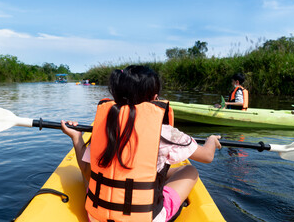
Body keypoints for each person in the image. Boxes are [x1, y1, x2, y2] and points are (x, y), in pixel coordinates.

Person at [61, 65, 221, 222]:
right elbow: (207, 156)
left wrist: (77, 138)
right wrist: (211, 141)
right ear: (154, 97)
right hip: (146, 218)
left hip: (96, 217)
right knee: (190, 170)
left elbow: (87, 170)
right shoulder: (165, 132)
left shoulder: (105, 125)